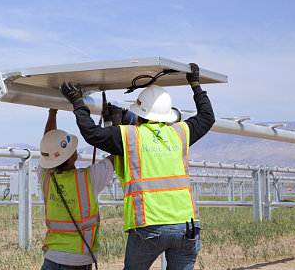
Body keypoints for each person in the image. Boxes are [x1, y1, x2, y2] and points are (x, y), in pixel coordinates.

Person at [60, 63, 214, 270]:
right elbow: (207, 117)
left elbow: (92, 134)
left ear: (139, 115)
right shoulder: (180, 134)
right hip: (186, 226)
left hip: (148, 226)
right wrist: (195, 85)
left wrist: (78, 103)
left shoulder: (130, 136)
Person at [38, 108, 115, 270]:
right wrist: (117, 126)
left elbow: (49, 143)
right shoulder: (89, 178)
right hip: (79, 260)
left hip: (51, 257)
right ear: (70, 156)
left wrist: (52, 112)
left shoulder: (45, 176)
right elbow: (118, 154)